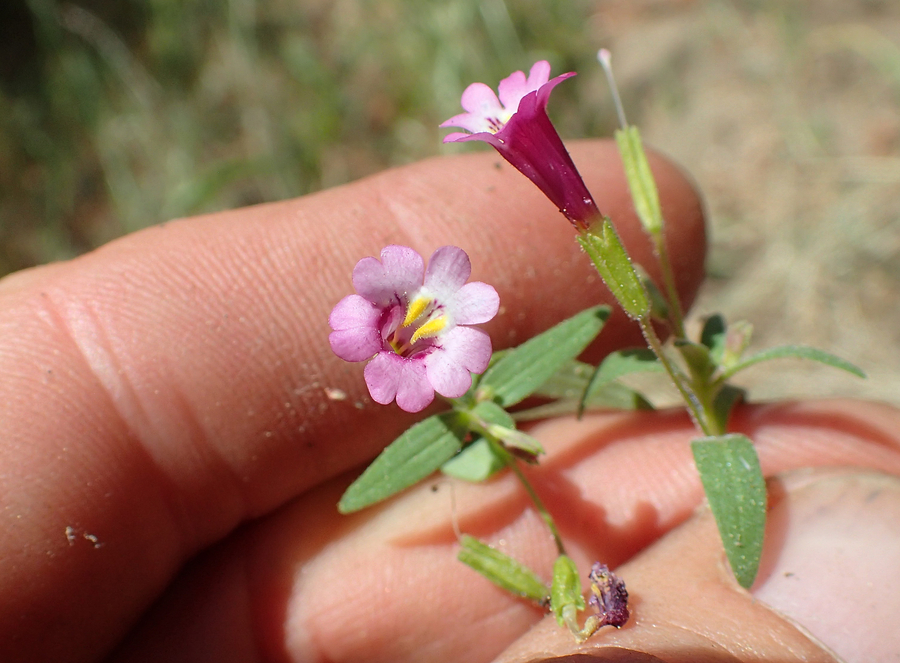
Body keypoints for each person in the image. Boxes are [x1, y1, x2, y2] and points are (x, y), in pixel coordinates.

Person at [0, 140, 897, 663]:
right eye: (393, 329)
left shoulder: (441, 327)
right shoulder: (394, 340)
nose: (403, 331)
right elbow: (397, 342)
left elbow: (442, 324)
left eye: (409, 328)